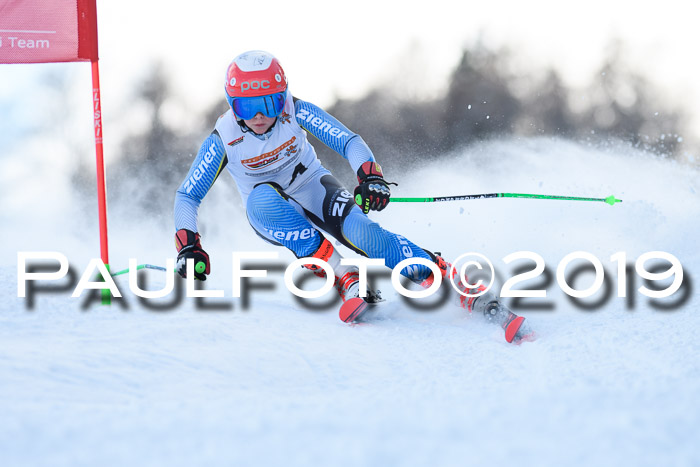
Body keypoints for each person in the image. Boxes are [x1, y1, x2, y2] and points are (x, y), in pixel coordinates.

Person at [173, 50, 532, 342]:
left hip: (313, 185)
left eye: (268, 103)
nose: (260, 117)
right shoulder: (223, 139)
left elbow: (348, 141)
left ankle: (450, 280)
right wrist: (188, 244)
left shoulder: (295, 111)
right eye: (246, 108)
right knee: (264, 200)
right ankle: (345, 276)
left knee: (365, 234)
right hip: (266, 208)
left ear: (282, 96)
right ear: (232, 106)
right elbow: (188, 195)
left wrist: (369, 176)